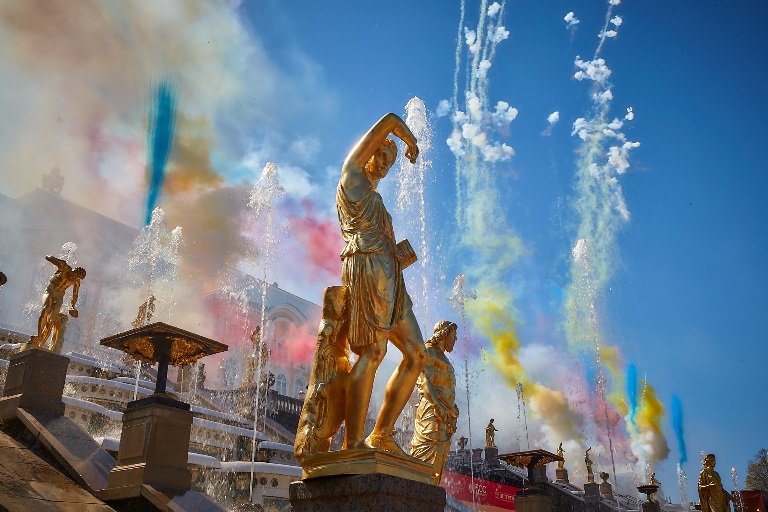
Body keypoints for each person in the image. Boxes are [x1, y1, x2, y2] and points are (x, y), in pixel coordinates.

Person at [337, 112, 426, 455]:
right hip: (367, 266)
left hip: (391, 274)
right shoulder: (352, 177)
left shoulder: (375, 196)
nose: (388, 162)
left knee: (417, 354)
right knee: (373, 352)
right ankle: (353, 442)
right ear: (370, 152)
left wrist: (399, 254)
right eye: (383, 154)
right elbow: (388, 119)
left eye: (392, 158)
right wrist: (410, 141)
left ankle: (383, 434)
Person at [410, 320, 459, 484]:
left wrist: (451, 408)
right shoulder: (430, 351)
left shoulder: (443, 356)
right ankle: (419, 491)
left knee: (441, 452)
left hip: (445, 412)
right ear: (444, 333)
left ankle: (431, 490)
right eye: (453, 335)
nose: (455, 339)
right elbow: (424, 382)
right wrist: (438, 406)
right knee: (430, 449)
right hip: (433, 409)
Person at [29, 255, 86, 354]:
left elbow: (75, 295)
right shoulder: (64, 267)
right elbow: (49, 257)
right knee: (46, 310)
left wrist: (72, 306)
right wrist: (50, 258)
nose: (74, 278)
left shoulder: (76, 281)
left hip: (59, 298)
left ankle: (41, 342)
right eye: (75, 275)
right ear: (74, 270)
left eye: (77, 278)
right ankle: (38, 335)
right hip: (49, 292)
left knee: (52, 320)